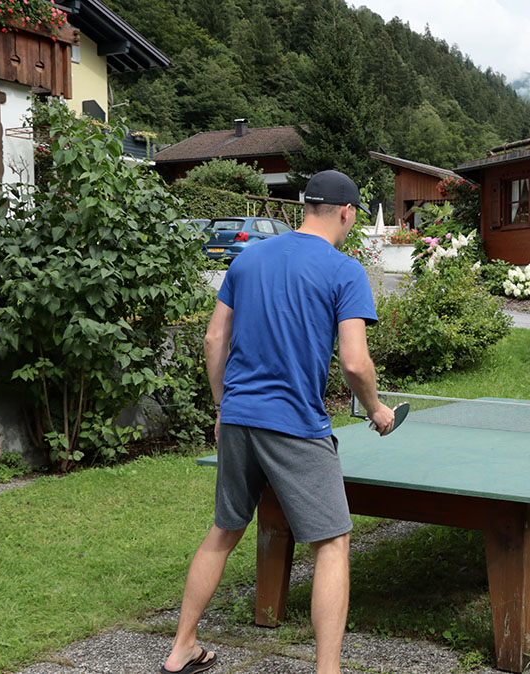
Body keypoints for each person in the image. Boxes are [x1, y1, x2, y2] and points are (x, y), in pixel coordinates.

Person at [160, 170, 395, 674]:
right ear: (347, 213)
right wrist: (376, 410)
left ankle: (182, 647)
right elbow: (355, 363)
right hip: (294, 423)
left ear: (305, 206)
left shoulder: (249, 259)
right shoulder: (344, 270)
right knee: (332, 542)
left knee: (224, 529)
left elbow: (213, 341)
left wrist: (224, 406)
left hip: (240, 416)